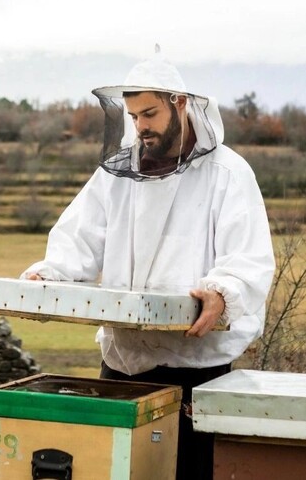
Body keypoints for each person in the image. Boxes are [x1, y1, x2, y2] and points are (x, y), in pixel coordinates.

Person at [21, 48, 275, 480]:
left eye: (150, 113)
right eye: (134, 116)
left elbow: (247, 260)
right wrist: (48, 274)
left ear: (181, 103)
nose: (141, 126)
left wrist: (222, 292)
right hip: (121, 367)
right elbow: (78, 239)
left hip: (196, 373)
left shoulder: (228, 174)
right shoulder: (116, 174)